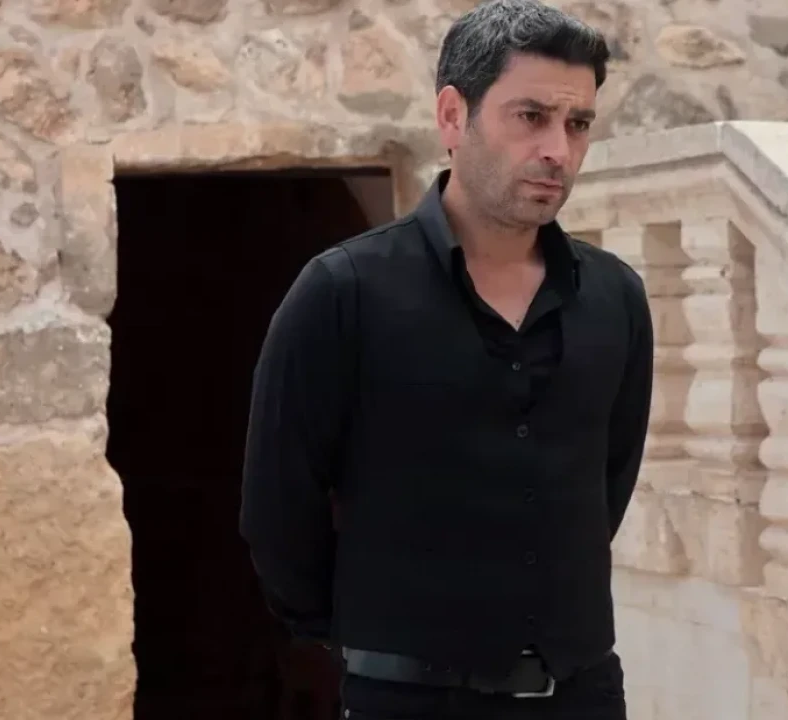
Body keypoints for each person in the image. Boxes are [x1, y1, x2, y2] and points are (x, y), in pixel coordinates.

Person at [239, 0, 653, 717]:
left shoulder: (615, 297)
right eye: (531, 117)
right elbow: (278, 511)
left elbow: (607, 485)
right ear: (453, 117)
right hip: (407, 701)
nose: (558, 149)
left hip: (583, 695)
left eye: (578, 124)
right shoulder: (343, 291)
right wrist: (374, 641)